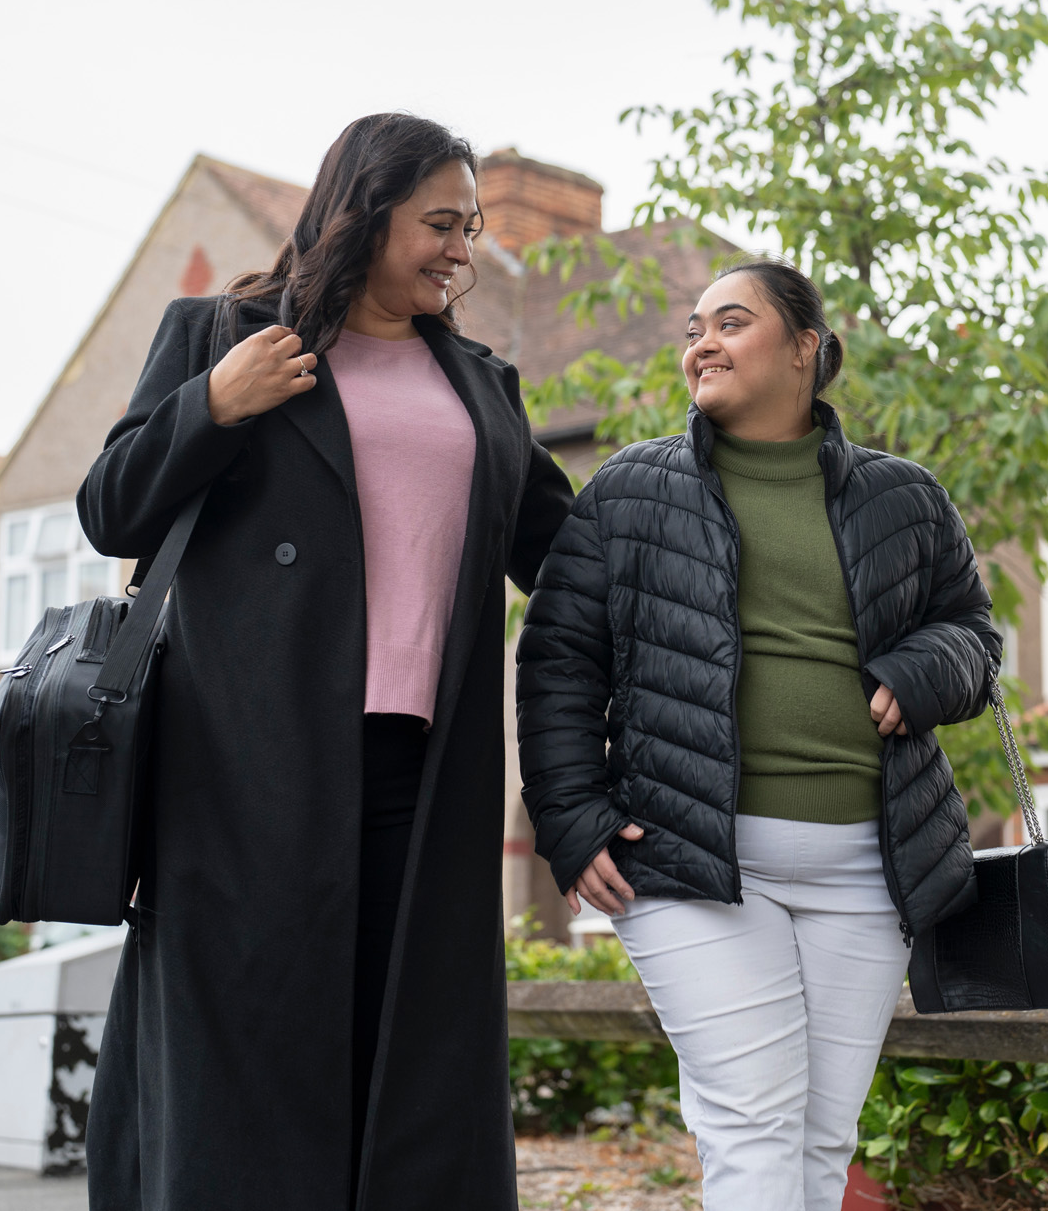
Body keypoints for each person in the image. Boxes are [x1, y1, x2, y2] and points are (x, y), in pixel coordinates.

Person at [77, 112, 573, 1210]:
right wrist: (212, 405)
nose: (464, 250)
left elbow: (570, 560)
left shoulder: (482, 385)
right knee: (250, 1061)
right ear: (362, 210)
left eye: (473, 226)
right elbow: (111, 510)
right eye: (440, 222)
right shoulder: (222, 331)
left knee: (413, 1058)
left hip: (423, 771)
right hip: (243, 767)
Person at [516, 256, 1000, 1209]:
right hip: (691, 858)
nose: (702, 342)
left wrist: (921, 672)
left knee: (823, 1138)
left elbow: (975, 636)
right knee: (751, 1117)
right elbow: (559, 660)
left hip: (870, 864)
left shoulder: (905, 496)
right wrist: (571, 817)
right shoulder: (629, 492)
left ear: (805, 349)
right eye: (694, 327)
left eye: (730, 323)